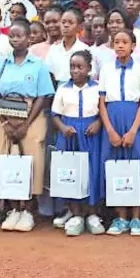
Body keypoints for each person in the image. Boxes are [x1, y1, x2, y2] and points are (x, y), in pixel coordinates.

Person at [0, 19, 54, 232]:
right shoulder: (1, 63)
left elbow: (43, 96)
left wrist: (25, 124)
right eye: (12, 36)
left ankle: (28, 210)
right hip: (4, 117)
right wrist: (5, 122)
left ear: (29, 38)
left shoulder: (38, 65)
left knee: (32, 160)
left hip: (31, 117)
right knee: (9, 160)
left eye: (20, 36)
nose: (16, 40)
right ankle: (14, 208)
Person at [98, 29, 140, 236]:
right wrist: (110, 130)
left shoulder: (139, 68)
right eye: (116, 42)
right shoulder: (106, 69)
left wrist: (132, 131)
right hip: (112, 118)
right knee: (115, 166)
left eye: (124, 42)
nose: (120, 45)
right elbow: (102, 102)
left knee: (136, 165)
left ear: (133, 46)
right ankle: (120, 217)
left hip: (133, 120)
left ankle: (136, 218)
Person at [51, 51, 104, 236]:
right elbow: (55, 115)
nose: (75, 70)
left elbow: (103, 112)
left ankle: (92, 213)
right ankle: (75, 213)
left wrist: (98, 123)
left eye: (80, 67)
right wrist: (63, 128)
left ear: (89, 68)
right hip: (69, 133)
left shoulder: (97, 88)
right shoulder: (63, 89)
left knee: (92, 170)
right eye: (72, 67)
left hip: (90, 133)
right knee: (72, 173)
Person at [46, 8, 91, 84]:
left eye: (70, 23)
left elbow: (89, 74)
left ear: (79, 27)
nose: (66, 25)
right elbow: (48, 72)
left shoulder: (84, 49)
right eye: (63, 22)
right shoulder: (54, 48)